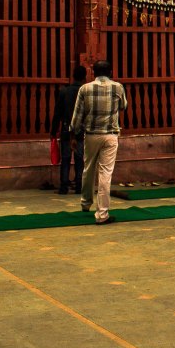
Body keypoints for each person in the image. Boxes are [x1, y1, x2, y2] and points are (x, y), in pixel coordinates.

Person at [71, 59, 127, 225]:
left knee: (88, 168)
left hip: (91, 135)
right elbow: (123, 106)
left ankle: (85, 202)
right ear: (110, 72)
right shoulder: (118, 87)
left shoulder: (84, 88)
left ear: (93, 73)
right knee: (105, 173)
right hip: (110, 135)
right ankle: (102, 214)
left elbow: (77, 116)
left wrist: (74, 134)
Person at [51, 65, 86, 195]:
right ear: (84, 77)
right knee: (79, 158)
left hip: (66, 127)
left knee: (65, 158)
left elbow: (57, 113)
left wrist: (53, 130)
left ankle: (64, 186)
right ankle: (79, 185)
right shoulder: (85, 91)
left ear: (73, 76)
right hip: (81, 129)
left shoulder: (64, 91)